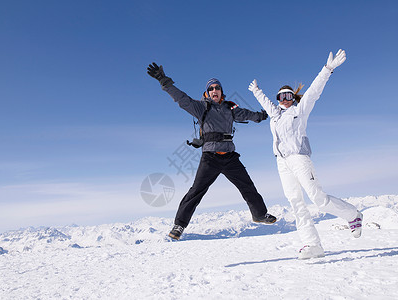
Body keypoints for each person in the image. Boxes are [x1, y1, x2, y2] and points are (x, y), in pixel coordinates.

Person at [248, 49, 363, 259]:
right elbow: (266, 103)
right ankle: (313, 245)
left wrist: (327, 69)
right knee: (295, 202)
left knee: (317, 198)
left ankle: (353, 215)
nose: (285, 99)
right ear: (278, 98)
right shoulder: (275, 115)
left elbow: (314, 91)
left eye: (289, 95)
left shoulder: (299, 111)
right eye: (282, 96)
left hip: (299, 158)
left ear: (294, 97)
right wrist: (256, 91)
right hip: (281, 163)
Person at [147, 62, 277, 240]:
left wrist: (260, 117)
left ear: (221, 91)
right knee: (196, 191)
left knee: (247, 186)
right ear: (207, 93)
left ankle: (259, 214)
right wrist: (164, 81)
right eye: (211, 88)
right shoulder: (201, 107)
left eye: (217, 88)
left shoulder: (230, 108)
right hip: (210, 158)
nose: (214, 90)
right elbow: (182, 99)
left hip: (230, 157)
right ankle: (179, 225)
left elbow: (246, 114)